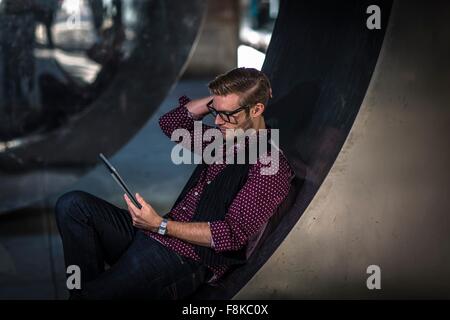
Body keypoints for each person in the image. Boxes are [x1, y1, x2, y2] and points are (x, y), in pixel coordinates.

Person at [55, 67, 294, 299]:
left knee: (91, 294)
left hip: (188, 258)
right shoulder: (225, 139)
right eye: (216, 112)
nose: (219, 122)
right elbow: (173, 123)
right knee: (72, 205)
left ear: (256, 109)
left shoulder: (268, 164)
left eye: (228, 115)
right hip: (158, 234)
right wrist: (220, 99)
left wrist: (160, 225)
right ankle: (81, 293)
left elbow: (231, 234)